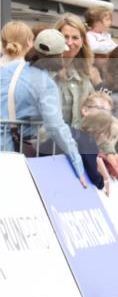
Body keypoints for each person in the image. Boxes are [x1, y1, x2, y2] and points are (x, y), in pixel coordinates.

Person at [0, 29, 87, 187]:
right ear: (58, 56)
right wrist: (77, 162)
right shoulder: (46, 84)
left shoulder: (7, 69)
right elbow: (56, 126)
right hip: (12, 154)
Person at [54, 14, 97, 127]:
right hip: (48, 142)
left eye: (75, 38)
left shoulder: (84, 74)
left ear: (82, 41)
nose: (69, 42)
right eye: (65, 37)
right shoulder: (47, 71)